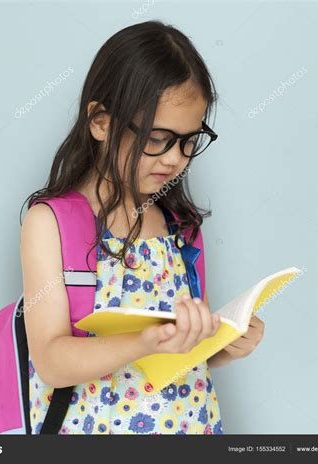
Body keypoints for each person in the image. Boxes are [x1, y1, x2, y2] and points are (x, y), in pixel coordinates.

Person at [20, 20, 264, 435]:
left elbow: (183, 356)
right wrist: (145, 341)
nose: (175, 159)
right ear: (100, 121)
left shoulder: (180, 228)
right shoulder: (52, 223)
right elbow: (52, 362)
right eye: (158, 138)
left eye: (189, 140)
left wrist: (223, 345)